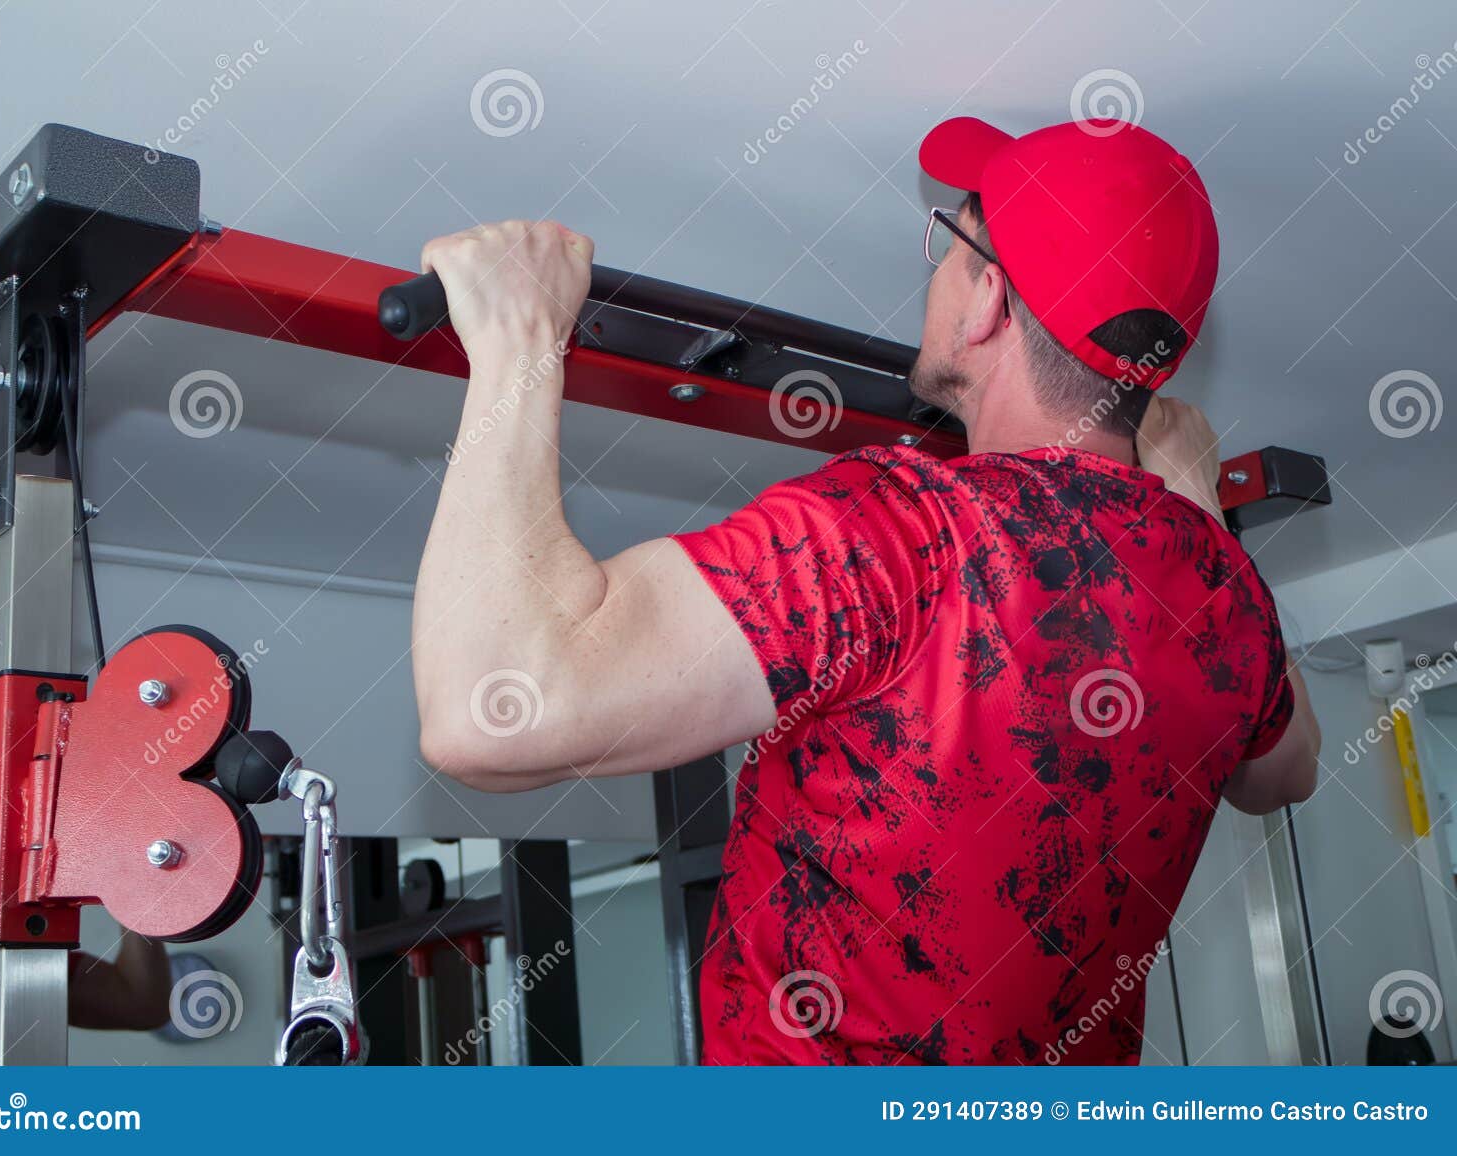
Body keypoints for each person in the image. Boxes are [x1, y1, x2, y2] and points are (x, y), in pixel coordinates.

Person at [410, 114, 1321, 1064]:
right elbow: (1282, 772)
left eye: (950, 244)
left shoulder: (901, 531)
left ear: (990, 305)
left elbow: (489, 714)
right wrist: (1196, 508)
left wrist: (518, 343)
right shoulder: (1221, 599)